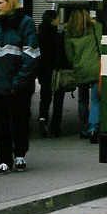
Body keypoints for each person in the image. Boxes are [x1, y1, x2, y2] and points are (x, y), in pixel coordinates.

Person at [0, 0, 39, 175]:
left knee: (19, 121)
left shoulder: (26, 23)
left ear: (11, 4)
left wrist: (18, 81)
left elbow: (31, 54)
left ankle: (20, 155)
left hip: (18, 86)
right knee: (0, 124)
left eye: (0, 2)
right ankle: (4, 160)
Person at [64, 8, 102, 143]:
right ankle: (94, 128)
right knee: (96, 100)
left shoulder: (69, 32)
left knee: (82, 100)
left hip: (80, 69)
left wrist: (76, 63)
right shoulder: (96, 27)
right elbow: (102, 47)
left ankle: (84, 128)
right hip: (96, 68)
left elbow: (69, 55)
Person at [36, 9, 67, 137]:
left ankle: (43, 118)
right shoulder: (58, 36)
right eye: (57, 18)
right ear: (53, 20)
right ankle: (55, 126)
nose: (59, 20)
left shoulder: (38, 35)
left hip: (43, 70)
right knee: (58, 99)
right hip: (56, 71)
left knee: (45, 97)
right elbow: (61, 54)